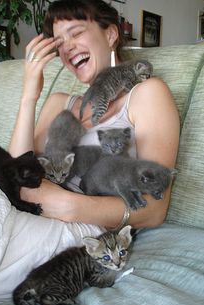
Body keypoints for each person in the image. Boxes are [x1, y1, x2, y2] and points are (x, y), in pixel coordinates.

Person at [9, 0, 180, 231]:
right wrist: (29, 96)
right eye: (59, 43)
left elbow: (154, 209)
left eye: (76, 33)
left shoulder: (148, 94)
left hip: (64, 231)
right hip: (19, 214)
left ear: (110, 35)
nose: (66, 48)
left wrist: (69, 205)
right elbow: (15, 172)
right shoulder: (58, 102)